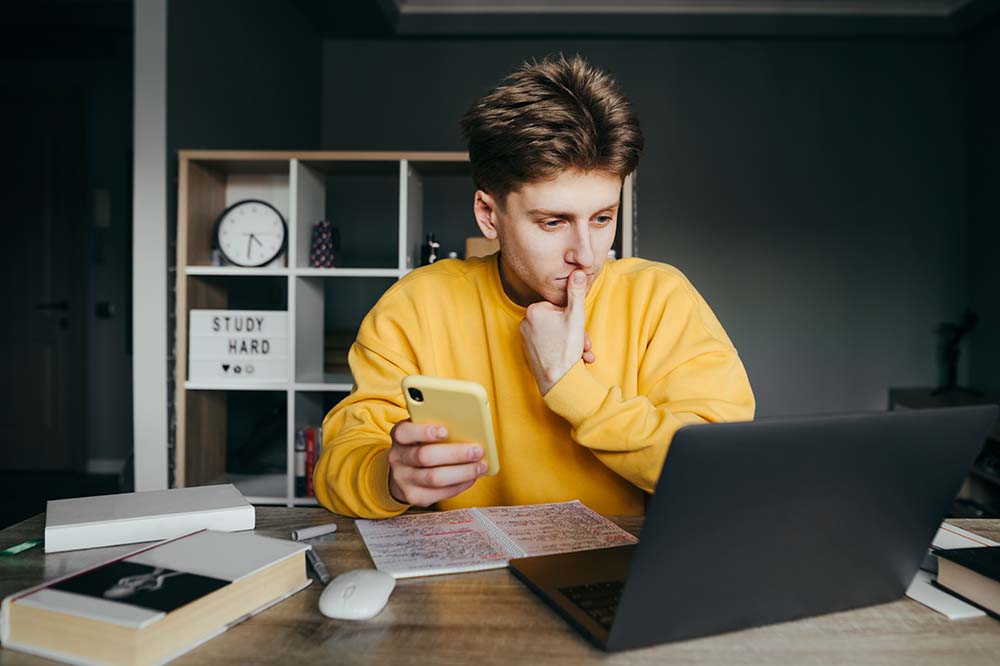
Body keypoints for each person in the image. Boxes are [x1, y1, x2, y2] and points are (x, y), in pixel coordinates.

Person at [315, 54, 755, 519]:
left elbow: (720, 471)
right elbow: (339, 461)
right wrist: (389, 476)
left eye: (603, 218)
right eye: (552, 222)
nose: (586, 254)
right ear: (489, 215)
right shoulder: (417, 306)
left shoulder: (660, 300)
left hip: (621, 579)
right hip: (469, 584)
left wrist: (569, 385)